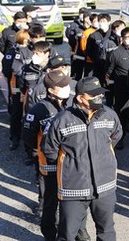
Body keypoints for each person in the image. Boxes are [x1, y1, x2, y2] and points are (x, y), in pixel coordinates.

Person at [42, 76, 123, 241]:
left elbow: (115, 137)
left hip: (104, 186)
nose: (99, 98)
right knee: (67, 234)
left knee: (106, 231)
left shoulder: (109, 115)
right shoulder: (62, 120)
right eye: (94, 96)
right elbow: (50, 150)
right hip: (74, 188)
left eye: (100, 94)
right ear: (80, 98)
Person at [22, 70, 89, 241]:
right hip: (50, 167)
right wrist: (43, 152)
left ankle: (80, 233)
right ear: (51, 90)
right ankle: (50, 235)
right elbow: (29, 138)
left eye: (68, 84)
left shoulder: (73, 105)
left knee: (76, 203)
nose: (68, 88)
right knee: (50, 204)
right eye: (63, 85)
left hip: (71, 166)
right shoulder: (38, 110)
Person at [105, 27, 129, 150]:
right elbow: (108, 72)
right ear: (122, 39)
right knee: (122, 112)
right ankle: (119, 138)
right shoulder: (115, 53)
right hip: (122, 87)